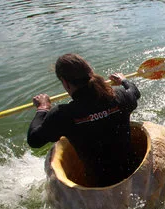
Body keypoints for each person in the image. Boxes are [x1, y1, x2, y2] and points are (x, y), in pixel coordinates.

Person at [27, 53, 141, 187]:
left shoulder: (63, 115)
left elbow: (34, 140)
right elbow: (134, 92)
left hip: (99, 184)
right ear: (91, 72)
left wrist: (43, 108)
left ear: (65, 82)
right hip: (134, 173)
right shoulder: (119, 96)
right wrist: (124, 81)